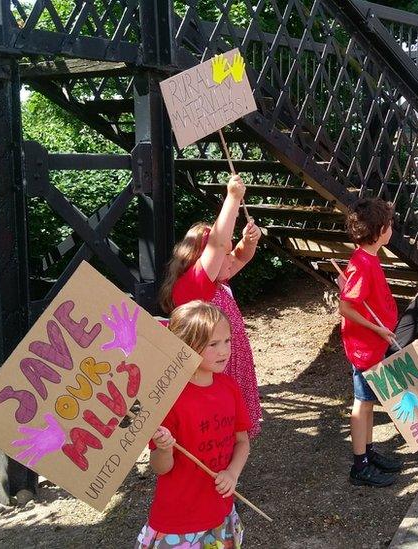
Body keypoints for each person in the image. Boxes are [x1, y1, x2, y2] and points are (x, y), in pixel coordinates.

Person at [158, 175, 264, 438]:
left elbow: (239, 256)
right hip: (210, 370)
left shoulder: (218, 280)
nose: (230, 257)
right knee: (216, 426)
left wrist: (249, 242)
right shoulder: (197, 284)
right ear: (202, 258)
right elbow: (218, 243)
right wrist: (233, 197)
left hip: (226, 362)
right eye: (224, 254)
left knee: (232, 426)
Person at [138, 301, 251, 549]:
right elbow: (160, 467)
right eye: (213, 344)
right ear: (186, 345)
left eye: (227, 341)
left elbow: (242, 442)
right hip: (179, 519)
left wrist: (233, 473)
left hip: (220, 512)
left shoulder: (229, 388)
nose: (224, 351)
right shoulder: (168, 398)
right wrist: (164, 448)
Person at [338, 197, 402, 487]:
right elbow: (347, 307)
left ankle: (368, 453)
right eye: (389, 226)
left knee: (368, 403)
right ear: (378, 230)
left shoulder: (367, 258)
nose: (392, 230)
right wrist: (377, 329)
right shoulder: (363, 263)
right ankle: (360, 465)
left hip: (372, 345)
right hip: (365, 347)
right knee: (362, 404)